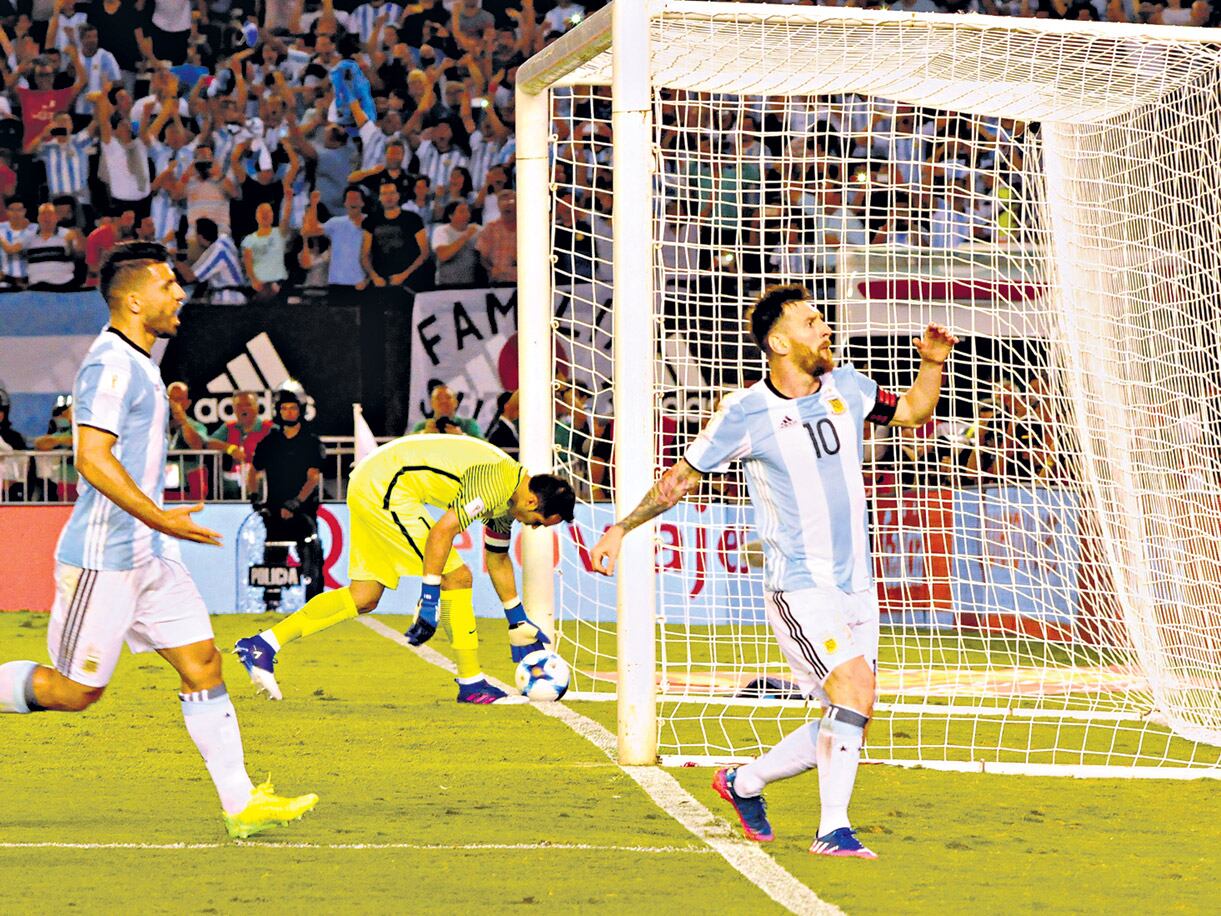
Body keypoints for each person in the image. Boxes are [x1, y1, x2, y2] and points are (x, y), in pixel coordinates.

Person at [590, 284, 958, 859]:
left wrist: (932, 363)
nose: (825, 328)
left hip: (857, 583)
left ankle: (743, 782)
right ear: (780, 342)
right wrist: (621, 527)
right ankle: (833, 830)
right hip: (800, 585)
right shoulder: (744, 412)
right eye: (812, 322)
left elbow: (912, 412)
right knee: (853, 690)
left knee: (851, 712)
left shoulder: (849, 386)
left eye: (822, 319)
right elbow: (678, 481)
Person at [0, 242, 318, 839]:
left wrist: (158, 523)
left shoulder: (143, 364)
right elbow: (91, 458)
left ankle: (241, 805)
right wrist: (161, 517)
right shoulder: (110, 365)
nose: (180, 294)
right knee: (74, 692)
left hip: (148, 553)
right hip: (105, 559)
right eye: (168, 285)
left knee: (203, 663)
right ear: (133, 299)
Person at [234, 436, 575, 704]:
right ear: (533, 502)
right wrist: (429, 596)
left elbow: (497, 558)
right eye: (540, 522)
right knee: (457, 577)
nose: (534, 527)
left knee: (364, 596)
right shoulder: (497, 482)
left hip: (372, 481)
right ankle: (471, 683)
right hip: (386, 487)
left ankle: (263, 645)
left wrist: (517, 619)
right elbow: (442, 531)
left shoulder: (509, 501)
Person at [250, 388, 326, 607]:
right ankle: (271, 605)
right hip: (274, 512)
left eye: (293, 408)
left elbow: (313, 477)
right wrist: (254, 497)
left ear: (300, 410)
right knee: (273, 560)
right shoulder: (270, 442)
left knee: (311, 558)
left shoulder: (311, 442)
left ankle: (314, 605)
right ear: (278, 411)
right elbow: (254, 472)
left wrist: (296, 503)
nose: (289, 412)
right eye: (284, 408)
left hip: (304, 513)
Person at [208, 391, 273, 499]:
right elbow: (209, 443)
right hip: (233, 481)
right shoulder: (228, 427)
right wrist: (230, 448)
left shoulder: (269, 428)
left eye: (248, 405)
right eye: (239, 406)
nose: (243, 409)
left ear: (257, 408)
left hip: (261, 479)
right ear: (234, 409)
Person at [411, 382, 483, 437]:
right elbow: (408, 446)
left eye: (448, 397)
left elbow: (483, 447)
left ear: (456, 402)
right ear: (432, 403)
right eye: (438, 398)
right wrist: (423, 435)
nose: (443, 401)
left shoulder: (468, 425)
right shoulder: (422, 426)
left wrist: (462, 436)